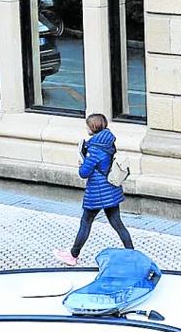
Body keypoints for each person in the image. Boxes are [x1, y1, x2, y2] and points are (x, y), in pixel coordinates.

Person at [55, 113, 134, 266]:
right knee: (117, 222)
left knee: (86, 221)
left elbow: (84, 173)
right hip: (111, 189)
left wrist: (82, 162)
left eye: (87, 126)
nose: (86, 128)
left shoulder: (95, 148)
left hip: (98, 192)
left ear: (93, 127)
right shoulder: (108, 141)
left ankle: (72, 255)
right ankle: (131, 253)